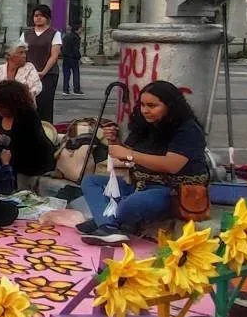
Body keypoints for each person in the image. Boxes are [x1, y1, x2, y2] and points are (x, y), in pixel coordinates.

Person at [76, 80, 209, 245]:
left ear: (170, 106)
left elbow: (172, 165)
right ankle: (108, 225)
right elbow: (129, 155)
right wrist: (115, 141)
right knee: (91, 181)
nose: (145, 110)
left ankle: (104, 221)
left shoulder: (188, 130)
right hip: (139, 185)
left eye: (153, 106)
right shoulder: (144, 123)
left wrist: (129, 154)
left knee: (129, 205)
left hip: (171, 191)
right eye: (143, 105)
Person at [0, 78, 54, 181]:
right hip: (5, 162)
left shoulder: (28, 115)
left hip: (31, 163)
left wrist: (0, 138)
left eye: (2, 106)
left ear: (12, 103)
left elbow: (25, 147)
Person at [19, 5, 63, 125]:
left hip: (48, 74)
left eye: (42, 16)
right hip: (28, 74)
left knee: (44, 104)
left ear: (47, 18)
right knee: (28, 104)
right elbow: (20, 53)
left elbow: (54, 55)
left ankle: (46, 132)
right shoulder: (26, 34)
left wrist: (44, 71)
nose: (38, 18)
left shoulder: (54, 34)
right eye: (36, 15)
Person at [60, 23, 83, 95]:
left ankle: (65, 89)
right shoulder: (76, 37)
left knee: (66, 74)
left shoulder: (66, 36)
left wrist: (64, 54)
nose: (81, 30)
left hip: (66, 57)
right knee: (76, 73)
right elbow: (75, 49)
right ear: (77, 29)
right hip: (73, 58)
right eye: (80, 29)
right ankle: (76, 89)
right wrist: (78, 56)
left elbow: (61, 47)